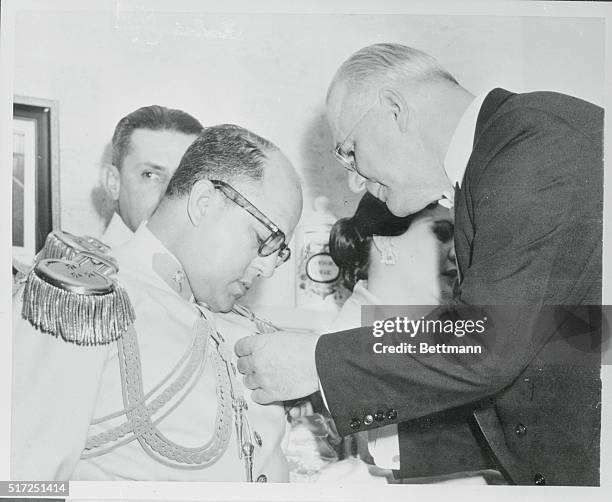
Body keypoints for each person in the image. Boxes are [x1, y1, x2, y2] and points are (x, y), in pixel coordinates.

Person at [235, 43, 603, 486]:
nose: (354, 181)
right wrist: (381, 437)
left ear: (394, 109)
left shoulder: (534, 147)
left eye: (349, 151)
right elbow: (562, 353)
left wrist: (318, 362)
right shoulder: (508, 155)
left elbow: (487, 343)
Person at [12, 124, 303, 482]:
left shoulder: (244, 326)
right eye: (263, 239)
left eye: (280, 252)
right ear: (203, 202)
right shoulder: (86, 303)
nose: (269, 266)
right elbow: (21, 484)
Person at [101, 105, 203, 247]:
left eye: (185, 177)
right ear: (113, 183)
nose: (170, 195)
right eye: (150, 175)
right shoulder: (87, 268)